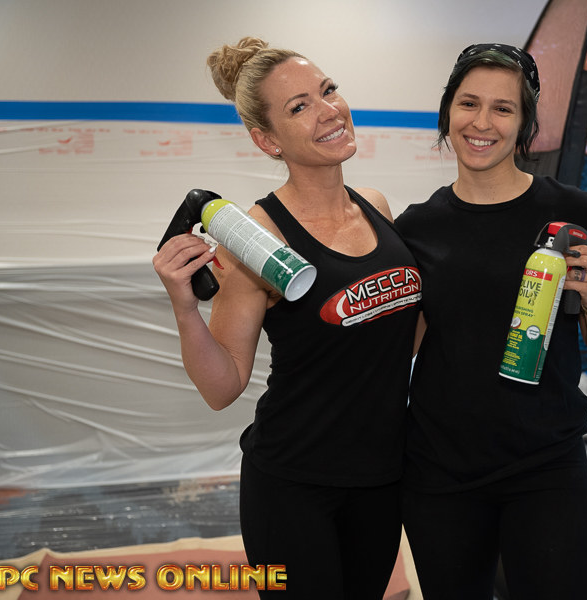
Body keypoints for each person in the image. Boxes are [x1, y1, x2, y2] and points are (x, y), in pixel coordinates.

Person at [152, 37, 421, 599]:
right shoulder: (258, 238)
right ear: (267, 140)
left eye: (328, 90)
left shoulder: (376, 206)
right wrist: (184, 304)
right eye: (300, 106)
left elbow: (400, 336)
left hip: (381, 476)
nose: (328, 110)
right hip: (297, 483)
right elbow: (222, 386)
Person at [394, 43, 587, 600]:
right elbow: (404, 347)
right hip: (441, 472)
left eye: (503, 108)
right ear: (447, 112)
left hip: (546, 466)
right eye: (468, 103)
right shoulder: (416, 228)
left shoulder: (574, 213)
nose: (482, 122)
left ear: (525, 123)